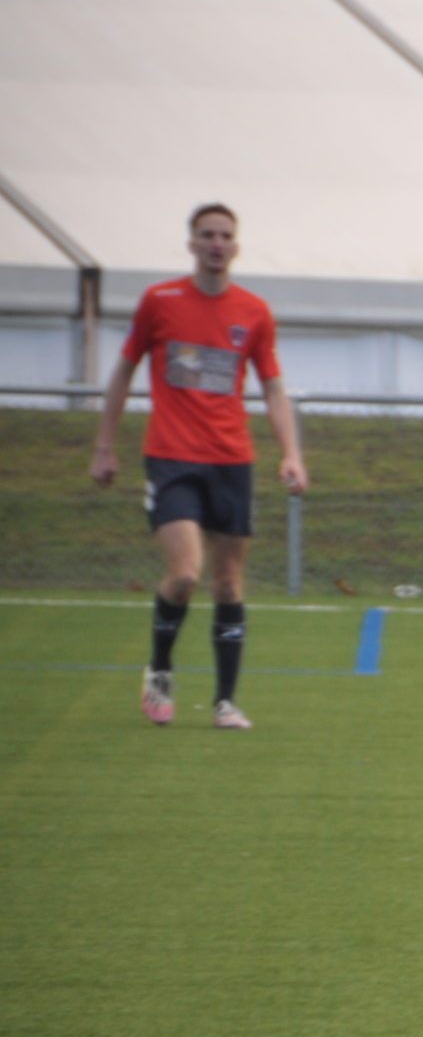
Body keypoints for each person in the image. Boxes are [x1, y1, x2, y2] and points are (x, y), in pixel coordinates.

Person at [88, 202, 307, 730]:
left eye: (224, 235)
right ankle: (159, 673)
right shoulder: (160, 302)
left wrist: (292, 453)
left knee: (229, 585)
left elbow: (273, 387)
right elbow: (122, 371)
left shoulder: (253, 311)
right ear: (191, 244)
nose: (215, 243)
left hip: (231, 461)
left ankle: (224, 702)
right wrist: (104, 445)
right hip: (171, 459)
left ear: (235, 246)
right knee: (186, 573)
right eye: (206, 234)